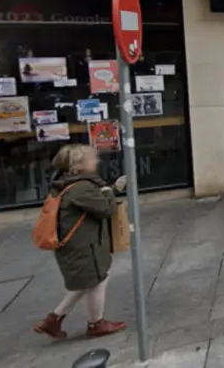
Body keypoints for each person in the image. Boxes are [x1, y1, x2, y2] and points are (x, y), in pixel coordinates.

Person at [34, 144, 128, 340]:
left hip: (76, 245)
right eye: (92, 159)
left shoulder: (67, 183)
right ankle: (96, 324)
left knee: (87, 281)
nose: (97, 161)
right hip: (84, 246)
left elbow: (93, 199)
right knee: (97, 280)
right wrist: (109, 191)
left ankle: (53, 320)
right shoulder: (81, 187)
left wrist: (110, 188)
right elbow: (105, 208)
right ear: (78, 167)